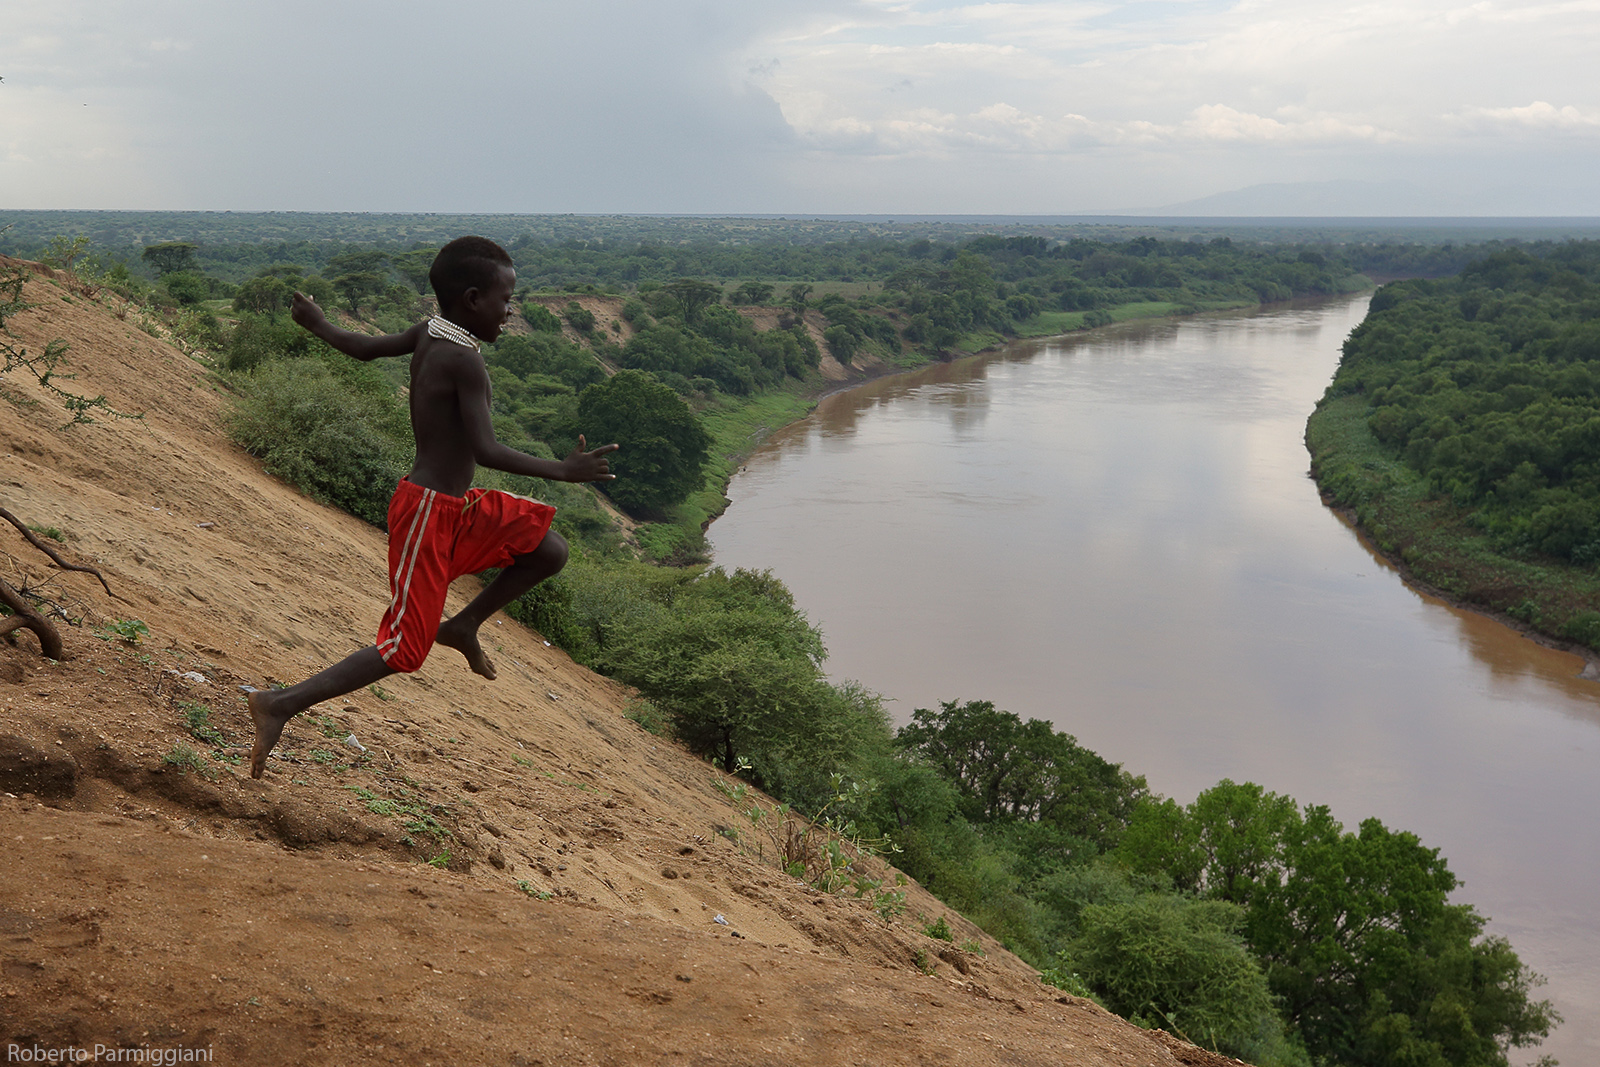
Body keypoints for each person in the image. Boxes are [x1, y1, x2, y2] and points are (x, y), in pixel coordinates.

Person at [246, 236, 618, 779]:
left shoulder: (431, 331)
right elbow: (487, 450)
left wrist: (319, 324)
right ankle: (278, 704)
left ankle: (463, 626)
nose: (510, 313)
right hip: (426, 514)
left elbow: (365, 348)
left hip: (452, 507)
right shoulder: (463, 360)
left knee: (548, 549)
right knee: (403, 650)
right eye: (505, 300)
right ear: (472, 299)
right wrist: (564, 470)